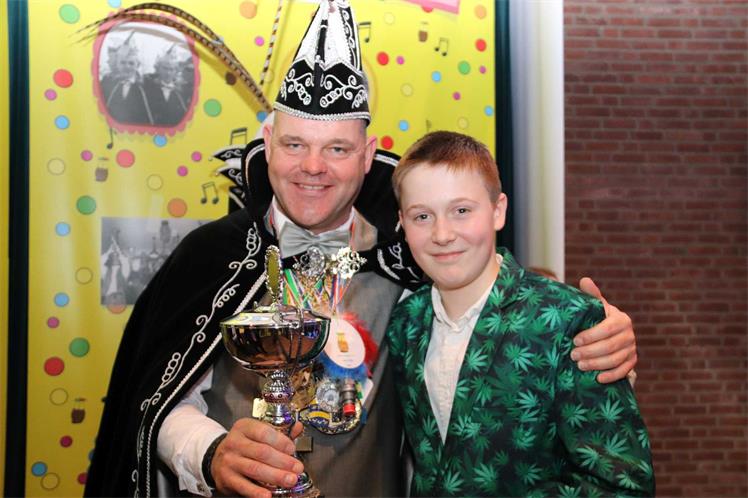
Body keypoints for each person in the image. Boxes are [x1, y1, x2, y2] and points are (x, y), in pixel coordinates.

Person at [85, 2, 638, 497]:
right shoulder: (210, 258)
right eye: (295, 144)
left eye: (337, 148)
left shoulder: (411, 255)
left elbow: (499, 323)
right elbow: (156, 400)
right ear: (268, 142)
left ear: (368, 155)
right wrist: (209, 453)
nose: (313, 167)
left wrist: (597, 337)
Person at [387, 131, 655, 496]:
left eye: (461, 210)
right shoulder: (405, 324)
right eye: (422, 216)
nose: (442, 233)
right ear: (402, 223)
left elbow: (623, 485)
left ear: (498, 211)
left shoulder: (568, 320)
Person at [99, 32, 155, 125]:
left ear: (137, 65)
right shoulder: (108, 82)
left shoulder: (146, 86)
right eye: (123, 63)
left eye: (131, 63)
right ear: (117, 64)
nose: (127, 66)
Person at [143, 46, 192, 126]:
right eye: (165, 68)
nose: (168, 73)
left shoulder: (181, 92)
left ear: (176, 71)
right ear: (158, 69)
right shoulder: (148, 87)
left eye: (171, 69)